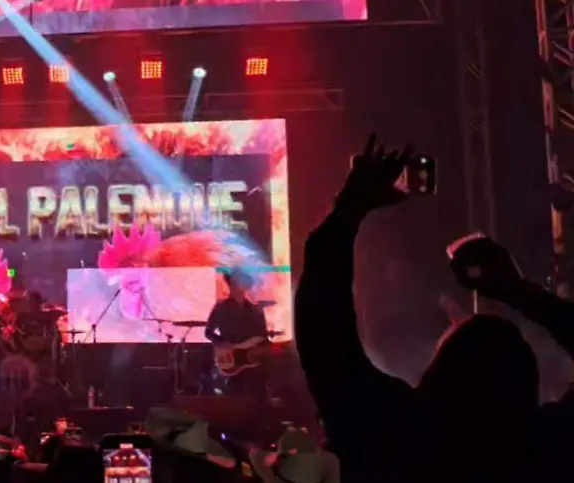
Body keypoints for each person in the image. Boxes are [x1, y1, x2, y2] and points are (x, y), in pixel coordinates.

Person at [296, 135, 574, 483]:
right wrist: (516, 290)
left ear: (437, 373)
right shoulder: (549, 454)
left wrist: (350, 207)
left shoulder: (388, 437)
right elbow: (321, 329)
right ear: (526, 385)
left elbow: (321, 326)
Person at [204, 272, 269, 398]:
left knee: (254, 392)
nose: (236, 287)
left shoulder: (254, 309)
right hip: (230, 358)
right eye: (234, 283)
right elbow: (208, 332)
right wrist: (222, 344)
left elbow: (261, 335)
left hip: (250, 358)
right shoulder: (221, 307)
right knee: (233, 393)